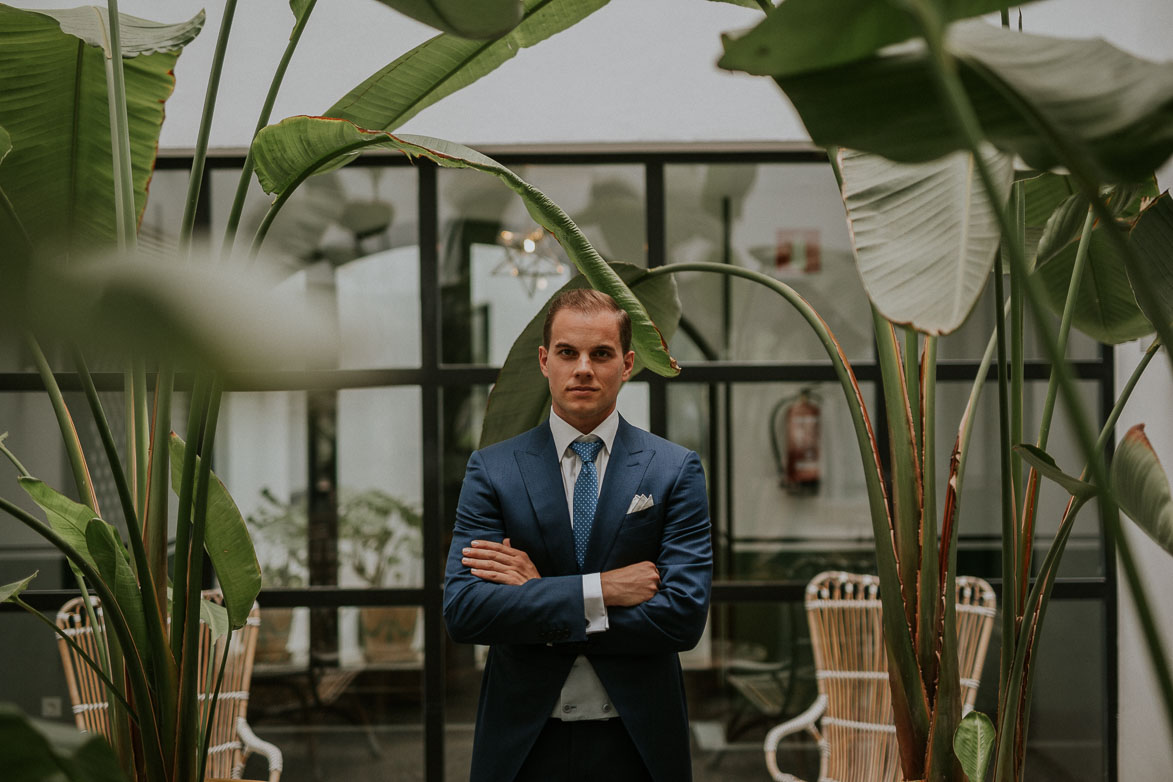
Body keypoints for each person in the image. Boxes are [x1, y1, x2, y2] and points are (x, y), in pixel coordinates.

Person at [443, 288, 713, 782]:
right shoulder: (493, 470)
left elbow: (682, 618)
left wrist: (535, 595)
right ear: (545, 361)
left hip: (638, 741)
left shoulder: (675, 470)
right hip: (524, 741)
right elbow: (465, 612)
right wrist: (601, 589)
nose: (583, 368)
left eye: (601, 354)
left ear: (628, 364)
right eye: (568, 352)